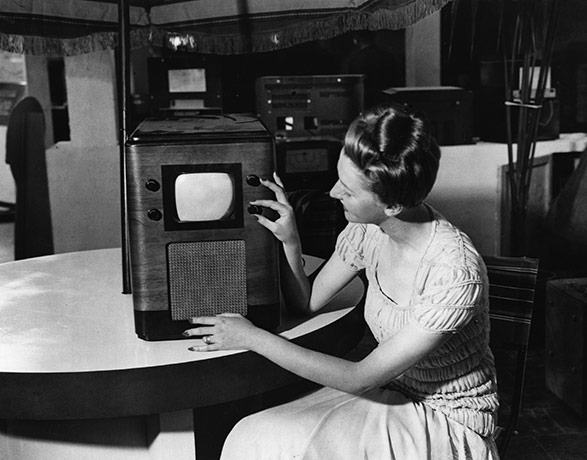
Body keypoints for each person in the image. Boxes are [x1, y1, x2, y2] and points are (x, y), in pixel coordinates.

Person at [183, 102, 500, 459]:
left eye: (348, 191)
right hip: (393, 394)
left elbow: (360, 377)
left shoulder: (454, 272)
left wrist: (252, 337)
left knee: (281, 444)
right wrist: (290, 240)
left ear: (393, 204)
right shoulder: (368, 231)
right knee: (252, 433)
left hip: (447, 421)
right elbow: (308, 301)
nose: (333, 193)